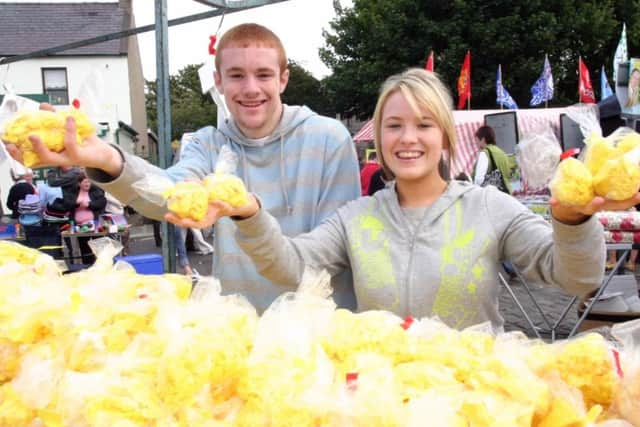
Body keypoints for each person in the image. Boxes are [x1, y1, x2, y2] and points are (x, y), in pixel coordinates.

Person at [181, 68, 640, 331]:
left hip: (475, 400)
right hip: (381, 399)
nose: (408, 138)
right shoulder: (355, 218)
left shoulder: (490, 209)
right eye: (394, 125)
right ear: (378, 137)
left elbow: (576, 279)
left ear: (444, 137)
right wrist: (250, 214)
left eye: (423, 125)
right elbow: (291, 266)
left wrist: (573, 222)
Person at [7, 23, 361, 311]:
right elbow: (167, 192)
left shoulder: (329, 139)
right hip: (241, 331)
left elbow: (334, 251)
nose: (250, 88)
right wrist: (103, 157)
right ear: (218, 82)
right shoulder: (208, 144)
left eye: (263, 75)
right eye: (236, 75)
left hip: (319, 329)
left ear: (283, 79)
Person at [65, 174, 106, 265]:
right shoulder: (73, 193)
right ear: (79, 183)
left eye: (89, 181)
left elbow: (102, 202)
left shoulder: (95, 191)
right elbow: (67, 204)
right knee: (85, 248)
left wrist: (89, 204)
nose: (88, 184)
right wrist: (76, 203)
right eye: (85, 182)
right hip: (79, 228)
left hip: (95, 225)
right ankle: (88, 266)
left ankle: (101, 265)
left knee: (99, 247)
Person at [472, 125, 513, 194]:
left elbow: (479, 180)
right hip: (506, 192)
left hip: (491, 195)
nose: (476, 144)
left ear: (483, 140)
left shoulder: (484, 153)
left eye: (477, 140)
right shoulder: (502, 152)